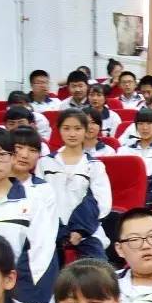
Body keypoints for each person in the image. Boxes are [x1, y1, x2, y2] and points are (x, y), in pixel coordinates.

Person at [0, 128, 58, 303]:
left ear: (13, 157)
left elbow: (41, 256)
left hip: (19, 295)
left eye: (2, 155)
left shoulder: (33, 201)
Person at [38, 108, 112, 261]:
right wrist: (59, 228)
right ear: (59, 130)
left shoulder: (94, 165)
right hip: (51, 229)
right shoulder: (45, 163)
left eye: (77, 129)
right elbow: (40, 198)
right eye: (66, 128)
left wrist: (80, 230)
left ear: (85, 130)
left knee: (98, 269)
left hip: (87, 231)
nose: (72, 134)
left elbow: (102, 202)